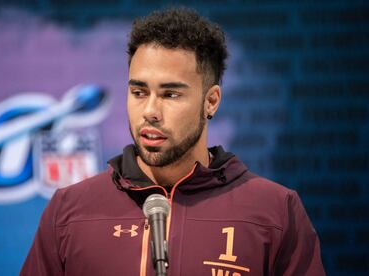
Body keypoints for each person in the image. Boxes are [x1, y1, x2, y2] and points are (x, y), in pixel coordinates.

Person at [21, 8, 325, 276]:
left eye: (170, 94)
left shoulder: (275, 211)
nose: (150, 111)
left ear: (212, 101)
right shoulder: (69, 211)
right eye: (139, 92)